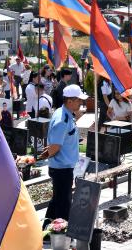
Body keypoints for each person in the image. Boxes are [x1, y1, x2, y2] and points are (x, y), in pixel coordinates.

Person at [42, 84, 86, 222]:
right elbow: (55, 146)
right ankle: (61, 230)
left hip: (63, 167)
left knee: (57, 200)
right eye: (79, 100)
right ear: (70, 101)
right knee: (63, 204)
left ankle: (47, 227)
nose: (81, 102)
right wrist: (47, 154)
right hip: (61, 168)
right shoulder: (62, 119)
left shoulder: (65, 114)